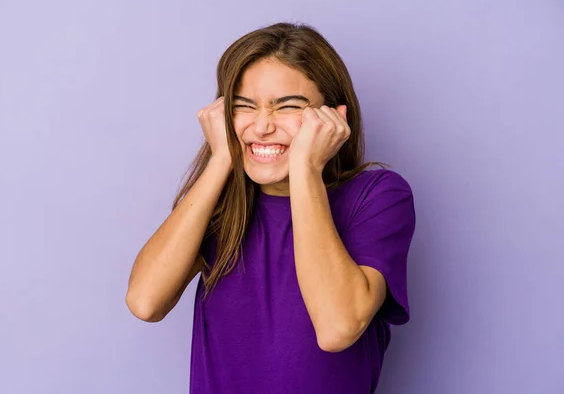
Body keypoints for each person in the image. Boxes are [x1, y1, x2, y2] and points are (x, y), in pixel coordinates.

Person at [125, 22, 416, 393]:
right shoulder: (221, 204)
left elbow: (337, 328)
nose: (262, 126)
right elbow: (145, 301)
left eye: (288, 107)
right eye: (244, 106)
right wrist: (220, 161)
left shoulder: (377, 195)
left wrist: (306, 169)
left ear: (333, 116)